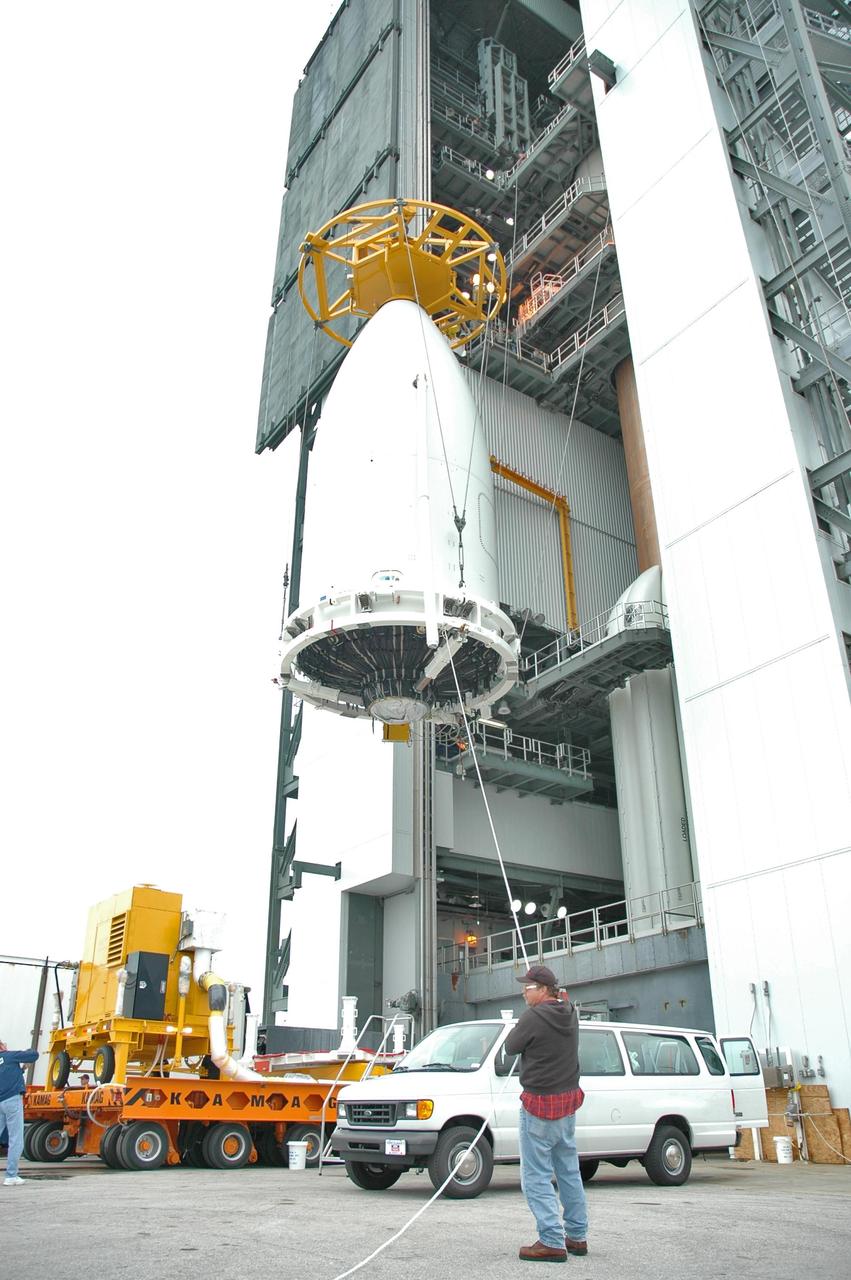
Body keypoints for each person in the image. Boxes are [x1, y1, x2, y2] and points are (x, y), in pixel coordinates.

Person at [504, 965, 588, 1263]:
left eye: (527, 988)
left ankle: (551, 1240)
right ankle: (576, 1235)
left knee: (535, 1175)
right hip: (567, 1103)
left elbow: (511, 1046)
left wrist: (525, 1021)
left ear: (542, 990)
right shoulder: (570, 1012)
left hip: (539, 1104)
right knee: (568, 1170)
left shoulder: (533, 1017)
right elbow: (563, 1000)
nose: (523, 992)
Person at [0, 1038, 39, 1186]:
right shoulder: (9, 1056)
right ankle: (11, 1175)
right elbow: (33, 1055)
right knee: (15, 1139)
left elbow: (6, 1075)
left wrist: (21, 1069)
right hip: (12, 1101)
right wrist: (28, 1051)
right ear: (1, 1046)